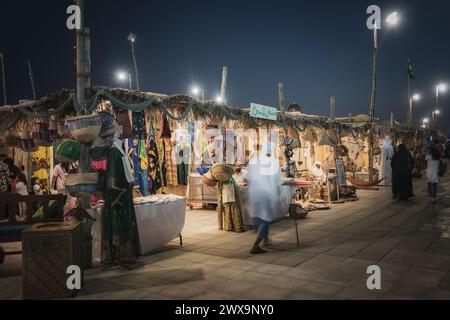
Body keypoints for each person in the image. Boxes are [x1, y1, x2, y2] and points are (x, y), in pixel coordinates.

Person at [247, 143, 282, 254]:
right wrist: (279, 195)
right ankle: (255, 246)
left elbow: (247, 178)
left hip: (253, 193)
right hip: (265, 194)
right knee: (265, 220)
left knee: (258, 218)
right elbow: (277, 182)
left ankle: (265, 239)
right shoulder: (273, 163)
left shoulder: (253, 161)